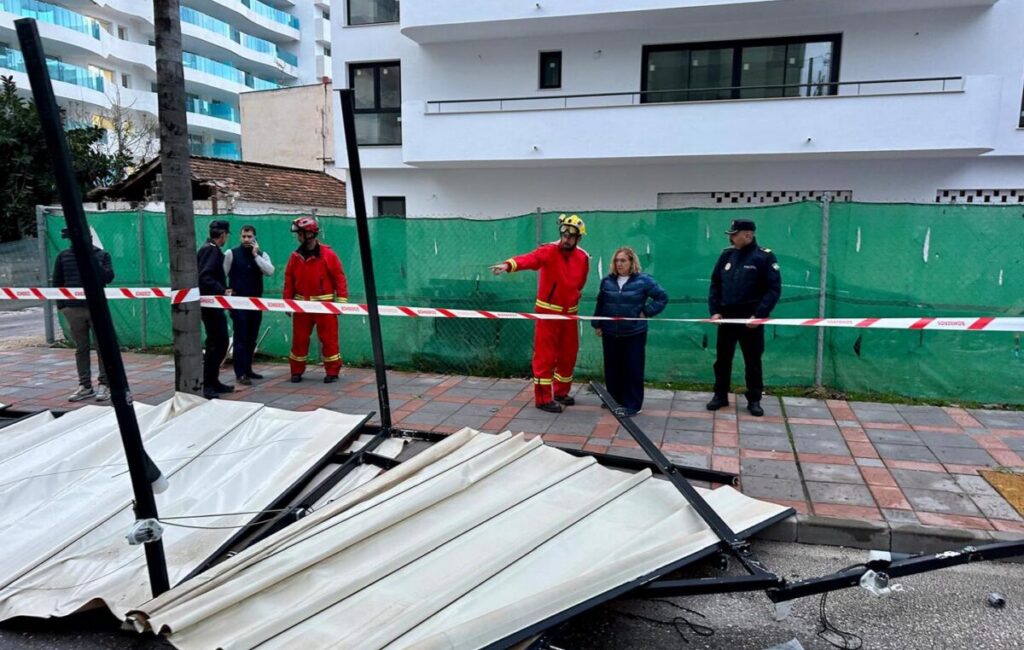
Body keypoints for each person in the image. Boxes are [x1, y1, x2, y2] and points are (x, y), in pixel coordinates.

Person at [490, 213, 590, 413]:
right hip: (547, 314)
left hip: (569, 315)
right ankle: (543, 398)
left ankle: (561, 391)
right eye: (564, 234)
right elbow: (531, 259)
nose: (567, 238)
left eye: (571, 236)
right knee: (545, 357)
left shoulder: (583, 257)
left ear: (579, 238)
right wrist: (509, 265)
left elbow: (580, 283)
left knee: (568, 355)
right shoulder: (549, 251)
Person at [706, 218, 781, 417]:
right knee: (722, 360)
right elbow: (715, 284)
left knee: (753, 361)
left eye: (734, 234)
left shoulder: (764, 257)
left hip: (751, 319)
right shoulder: (726, 255)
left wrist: (759, 315)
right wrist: (715, 311)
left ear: (747, 235)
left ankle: (754, 399)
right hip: (727, 317)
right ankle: (720, 395)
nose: (731, 237)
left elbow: (773, 289)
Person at [592, 246, 668, 416]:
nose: (619, 264)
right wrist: (597, 324)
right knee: (612, 367)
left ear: (632, 262)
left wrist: (647, 312)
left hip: (634, 333)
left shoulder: (644, 280)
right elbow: (600, 304)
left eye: (623, 260)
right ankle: (614, 399)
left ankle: (633, 404)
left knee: (633, 369)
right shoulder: (607, 282)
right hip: (611, 333)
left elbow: (662, 297)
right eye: (617, 261)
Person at [284, 216, 348, 383]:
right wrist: (287, 303)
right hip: (301, 304)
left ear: (309, 234)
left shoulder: (328, 255)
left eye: (300, 233)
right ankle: (296, 371)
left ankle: (332, 372)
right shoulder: (295, 256)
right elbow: (289, 279)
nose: (297, 237)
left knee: (329, 339)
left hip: (324, 305)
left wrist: (341, 301)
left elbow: (339, 278)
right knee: (299, 339)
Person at [52, 228, 115, 402]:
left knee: (103, 347)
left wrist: (92, 259)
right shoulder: (63, 256)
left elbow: (108, 278)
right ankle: (85, 385)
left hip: (97, 308)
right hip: (73, 309)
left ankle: (105, 384)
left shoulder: (101, 255)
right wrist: (62, 306)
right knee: (81, 348)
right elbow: (57, 282)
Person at [223, 225, 275, 386]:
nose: (246, 239)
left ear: (255, 238)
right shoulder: (231, 253)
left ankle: (248, 368)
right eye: (244, 236)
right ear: (240, 237)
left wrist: (255, 256)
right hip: (238, 303)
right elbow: (221, 273)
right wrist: (225, 293)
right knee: (241, 337)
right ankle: (240, 373)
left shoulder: (261, 254)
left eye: (249, 236)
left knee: (252, 337)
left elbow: (270, 271)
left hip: (255, 303)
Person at [197, 219, 235, 399]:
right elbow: (204, 277)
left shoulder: (209, 249)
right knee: (217, 343)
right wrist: (222, 290)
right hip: (210, 304)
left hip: (212, 303)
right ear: (223, 235)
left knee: (218, 343)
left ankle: (213, 380)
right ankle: (207, 383)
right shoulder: (210, 251)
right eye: (226, 234)